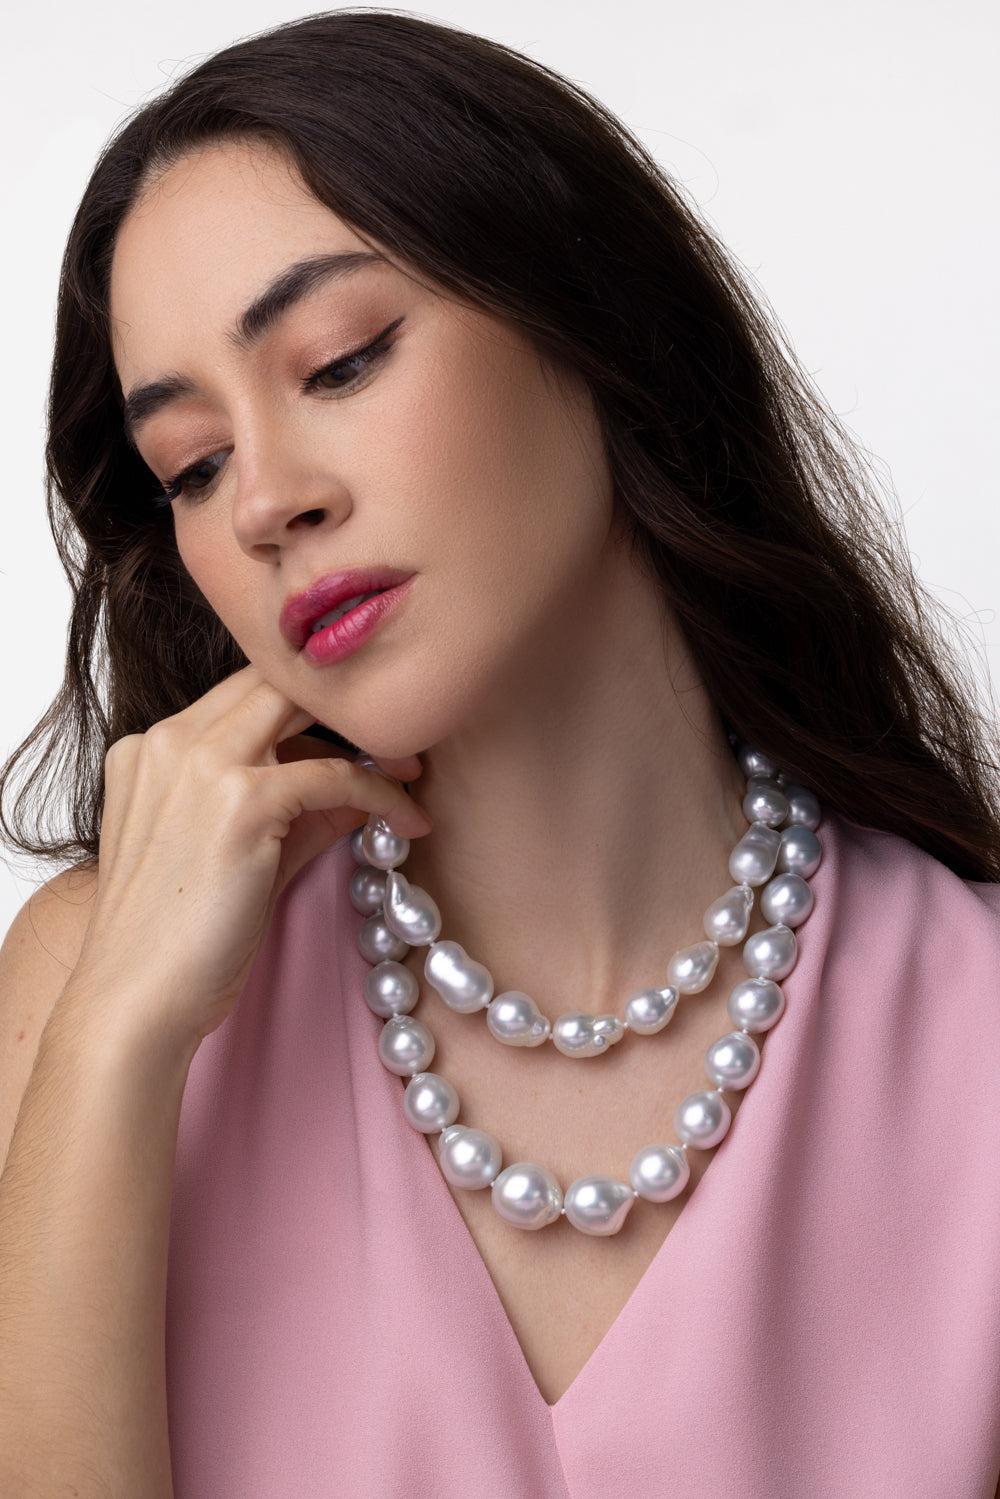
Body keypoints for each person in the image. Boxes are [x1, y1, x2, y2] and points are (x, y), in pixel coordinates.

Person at [0, 12, 998, 1498]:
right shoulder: (98, 997)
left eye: (340, 362)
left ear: (598, 328)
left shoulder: (973, 1037)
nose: (264, 500)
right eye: (192, 467)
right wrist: (112, 1044)